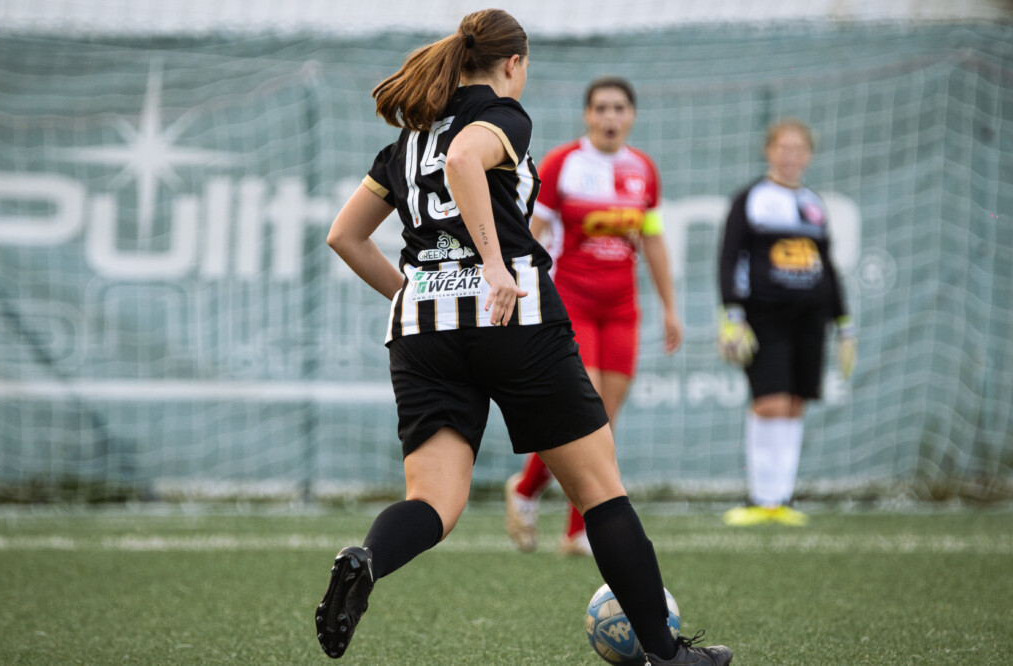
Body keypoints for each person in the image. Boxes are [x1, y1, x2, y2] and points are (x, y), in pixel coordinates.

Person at [317, 9, 731, 665]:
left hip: (423, 330)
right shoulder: (505, 119)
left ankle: (367, 560)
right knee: (600, 492)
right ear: (513, 63)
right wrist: (488, 266)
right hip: (513, 317)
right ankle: (667, 657)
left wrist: (414, 293)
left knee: (434, 503)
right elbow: (463, 160)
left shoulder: (403, 144)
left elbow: (344, 236)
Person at [504, 76, 682, 556]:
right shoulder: (564, 163)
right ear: (587, 115)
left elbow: (653, 240)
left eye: (619, 108)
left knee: (603, 421)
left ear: (632, 116)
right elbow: (533, 232)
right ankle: (535, 500)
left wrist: (670, 307)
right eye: (601, 108)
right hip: (572, 301)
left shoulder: (643, 169)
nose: (610, 117)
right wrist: (522, 292)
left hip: (622, 308)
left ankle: (563, 521)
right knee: (586, 414)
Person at [715, 118, 856, 527]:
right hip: (765, 317)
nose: (791, 156)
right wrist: (732, 315)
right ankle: (759, 496)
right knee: (769, 402)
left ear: (808, 155)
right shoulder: (752, 199)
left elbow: (827, 266)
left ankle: (783, 497)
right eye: (784, 147)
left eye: (799, 149)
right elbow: (729, 257)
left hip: (811, 319)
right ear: (769, 150)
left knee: (795, 403)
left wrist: (843, 323)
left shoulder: (813, 203)